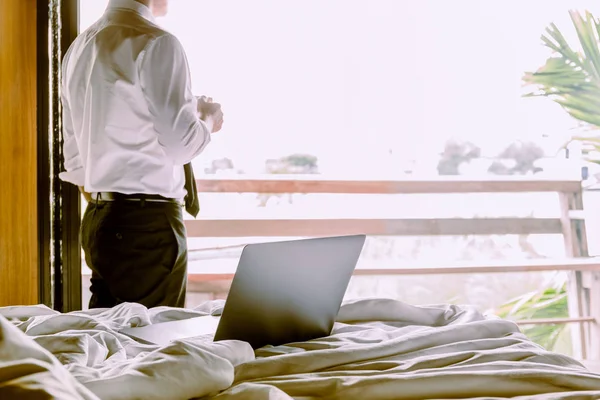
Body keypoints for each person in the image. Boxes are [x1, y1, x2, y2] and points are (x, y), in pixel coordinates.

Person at [59, 0, 223, 309]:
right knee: (154, 344)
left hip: (99, 220)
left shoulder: (78, 48)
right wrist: (208, 120)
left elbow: (76, 162)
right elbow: (181, 145)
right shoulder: (157, 42)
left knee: (108, 344)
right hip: (147, 225)